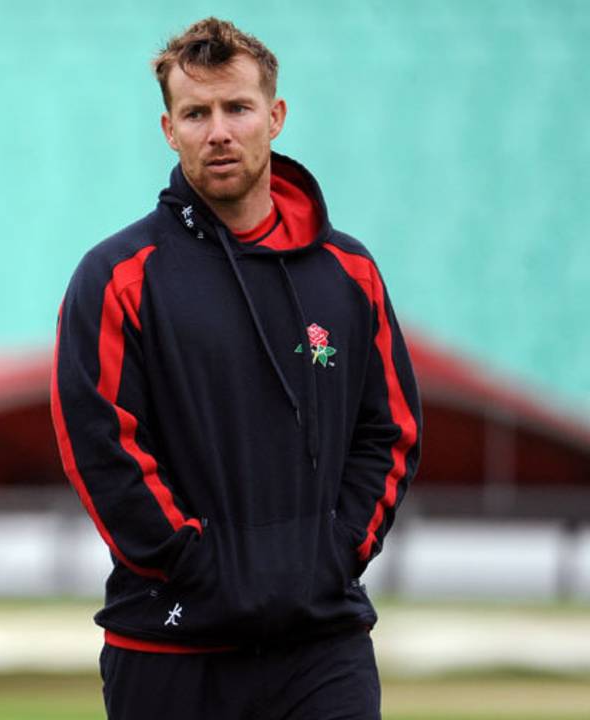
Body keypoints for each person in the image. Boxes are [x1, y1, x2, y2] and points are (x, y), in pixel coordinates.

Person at [50, 17, 420, 720]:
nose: (218, 131)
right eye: (196, 113)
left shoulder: (350, 274)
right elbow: (100, 448)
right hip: (171, 648)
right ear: (169, 130)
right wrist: (197, 565)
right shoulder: (119, 276)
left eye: (237, 108)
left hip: (324, 645)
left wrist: (338, 552)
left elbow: (392, 430)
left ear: (274, 117)